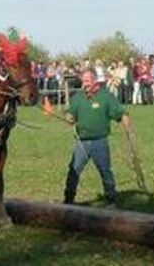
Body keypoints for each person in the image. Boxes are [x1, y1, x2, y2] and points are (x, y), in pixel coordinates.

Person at [62, 68, 133, 207]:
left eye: (88, 81)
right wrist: (69, 117)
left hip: (100, 142)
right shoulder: (78, 97)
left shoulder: (106, 96)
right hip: (82, 143)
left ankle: (111, 198)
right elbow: (70, 114)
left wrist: (127, 126)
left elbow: (119, 113)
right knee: (74, 170)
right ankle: (68, 199)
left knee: (105, 170)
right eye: (84, 81)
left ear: (95, 80)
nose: (85, 84)